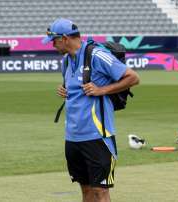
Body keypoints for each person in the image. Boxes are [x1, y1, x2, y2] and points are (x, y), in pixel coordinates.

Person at [42, 18, 139, 202]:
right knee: (86, 190)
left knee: (100, 192)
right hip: (73, 137)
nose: (52, 45)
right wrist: (64, 90)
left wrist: (102, 90)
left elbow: (133, 77)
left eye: (54, 41)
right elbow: (76, 88)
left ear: (64, 38)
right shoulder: (66, 61)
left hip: (97, 136)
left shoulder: (97, 55)